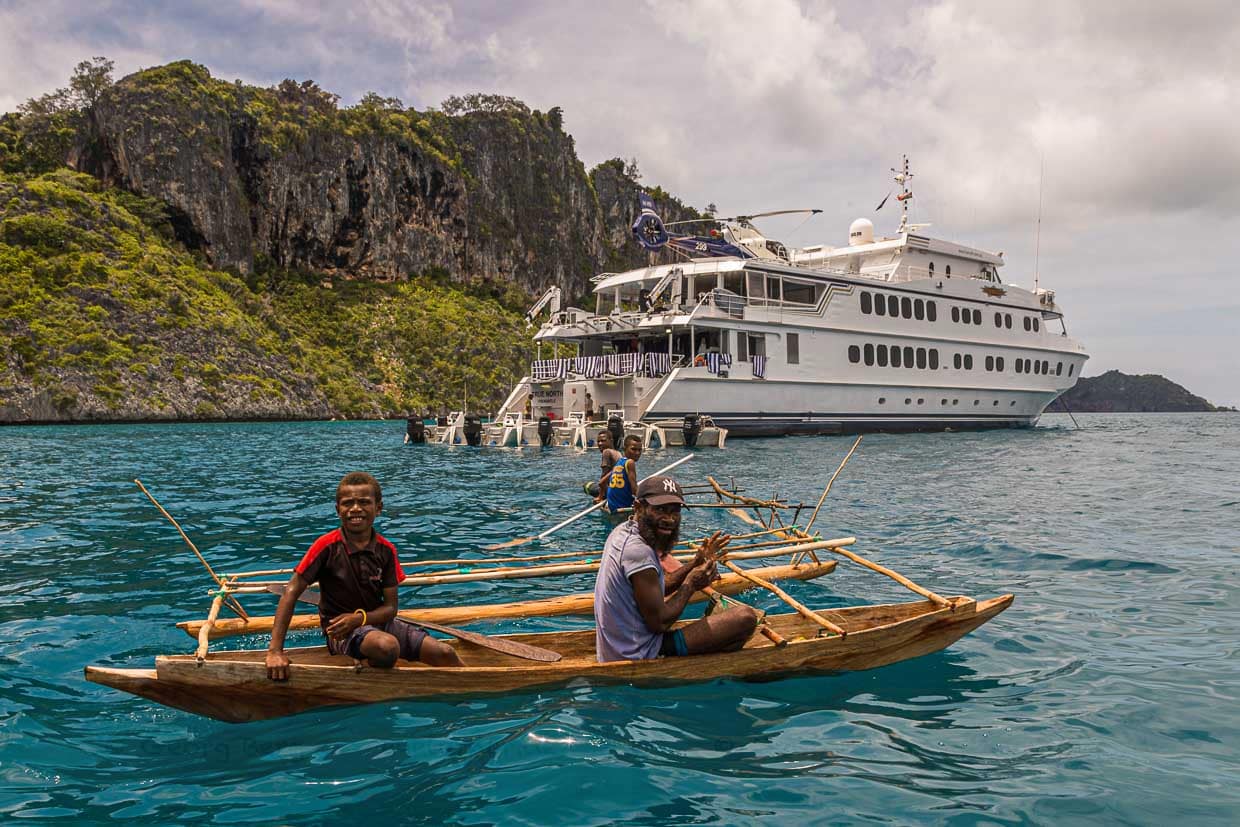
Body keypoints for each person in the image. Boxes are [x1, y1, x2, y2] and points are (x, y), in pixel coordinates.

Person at [266, 472, 464, 680]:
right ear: (338, 510)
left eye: (364, 502)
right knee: (387, 647)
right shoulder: (326, 546)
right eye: (347, 503)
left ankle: (472, 688)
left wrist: (360, 619)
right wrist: (275, 651)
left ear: (378, 508)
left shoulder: (386, 551)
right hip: (340, 631)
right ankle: (368, 666)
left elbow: (390, 608)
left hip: (377, 623)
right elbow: (291, 591)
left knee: (445, 653)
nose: (355, 509)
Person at [593, 476, 758, 662]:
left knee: (733, 632)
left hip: (621, 644)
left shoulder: (623, 531)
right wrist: (690, 585)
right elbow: (660, 623)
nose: (669, 519)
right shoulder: (638, 552)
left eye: (674, 511)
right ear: (638, 507)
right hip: (638, 651)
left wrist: (695, 563)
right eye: (660, 510)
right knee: (746, 618)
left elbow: (656, 589)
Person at [605, 434, 642, 512]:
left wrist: (600, 496)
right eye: (633, 449)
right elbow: (634, 490)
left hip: (612, 506)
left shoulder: (619, 462)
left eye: (639, 450)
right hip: (622, 507)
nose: (637, 453)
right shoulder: (630, 462)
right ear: (625, 448)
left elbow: (602, 482)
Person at [585, 429, 622, 500]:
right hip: (620, 490)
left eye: (603, 441)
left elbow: (603, 477)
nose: (600, 443)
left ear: (611, 441)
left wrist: (600, 497)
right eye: (598, 441)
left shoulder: (606, 452)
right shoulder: (618, 453)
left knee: (587, 486)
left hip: (611, 492)